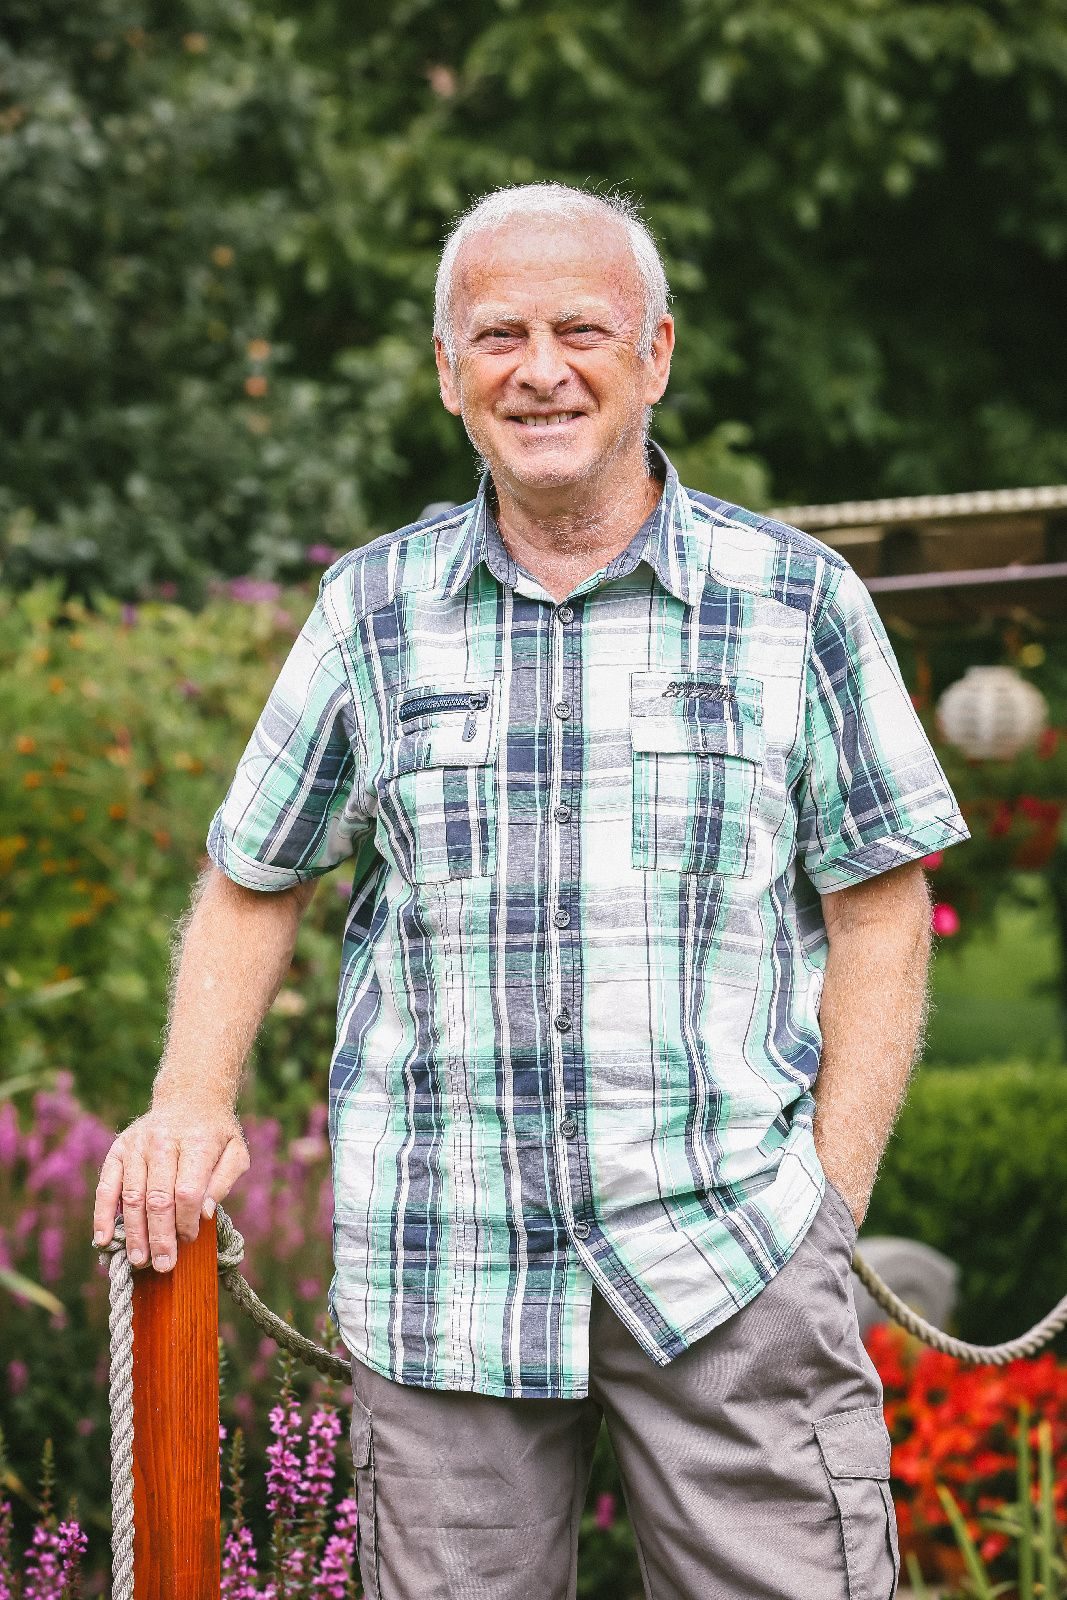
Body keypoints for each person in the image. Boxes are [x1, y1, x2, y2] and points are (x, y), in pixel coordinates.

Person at [94, 182, 969, 1600]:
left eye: (582, 330)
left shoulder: (797, 600)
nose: (539, 369)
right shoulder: (371, 611)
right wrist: (191, 1103)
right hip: (444, 1273)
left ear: (656, 354)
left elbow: (882, 902)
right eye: (498, 336)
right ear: (449, 373)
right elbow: (254, 876)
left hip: (733, 1250)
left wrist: (828, 1202)